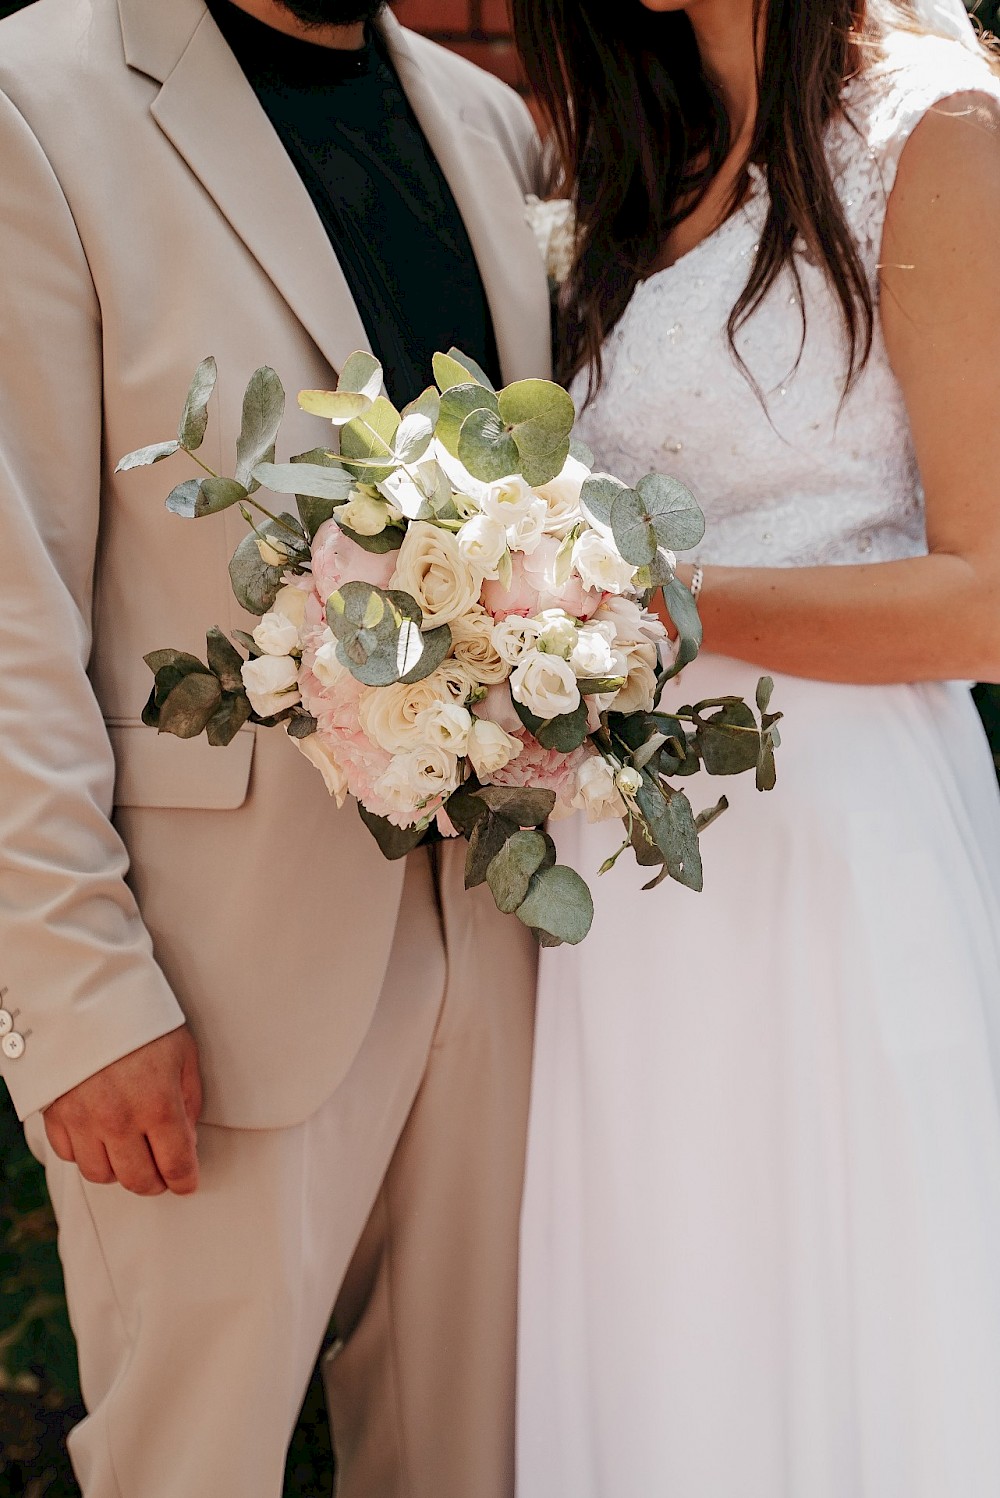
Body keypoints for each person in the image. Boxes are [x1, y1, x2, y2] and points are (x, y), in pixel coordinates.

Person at [0, 0, 549, 1493]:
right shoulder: (35, 97)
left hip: (500, 954)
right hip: (204, 982)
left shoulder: (483, 121)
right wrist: (73, 989)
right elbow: (10, 594)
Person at [511, 0, 1000, 1492]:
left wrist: (660, 601)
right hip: (624, 893)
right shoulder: (619, 154)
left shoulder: (937, 132)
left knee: (842, 1333)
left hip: (834, 859)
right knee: (670, 1344)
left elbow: (985, 599)